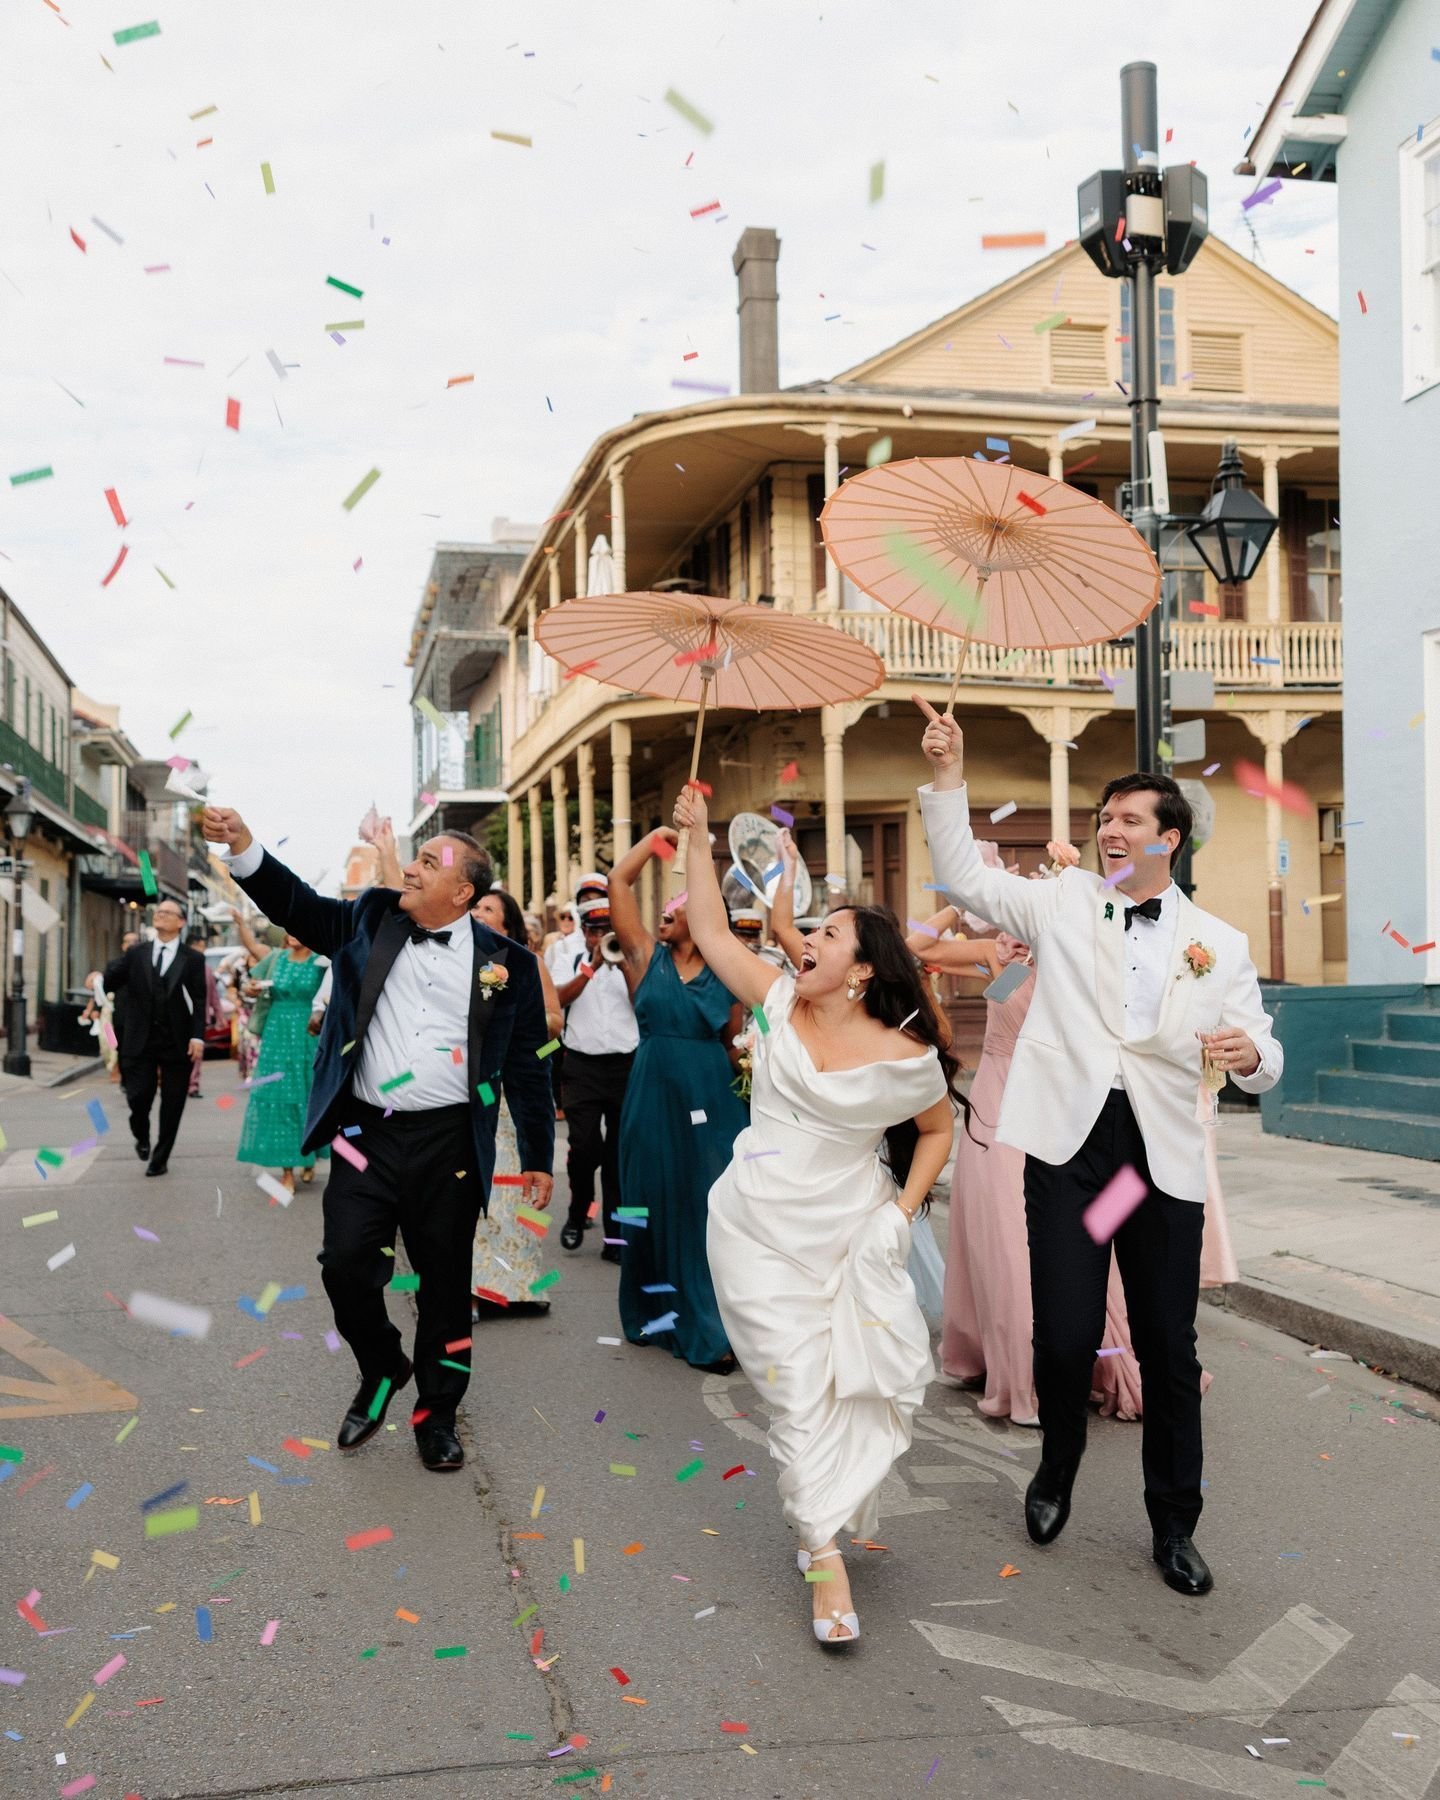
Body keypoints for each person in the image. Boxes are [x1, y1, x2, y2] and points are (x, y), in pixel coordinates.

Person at [916, 696, 1282, 1598]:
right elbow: (962, 873)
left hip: (1154, 1163)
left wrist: (1250, 1057)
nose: (1110, 831)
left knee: (1167, 1340)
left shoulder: (1219, 943)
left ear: (1169, 840)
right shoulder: (1060, 904)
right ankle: (1057, 1470)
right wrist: (948, 774)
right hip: (1073, 1151)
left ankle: (1175, 1524)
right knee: (1069, 1332)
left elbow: (1262, 1049)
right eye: (1104, 819)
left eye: (1127, 820)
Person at [672, 781, 964, 1649]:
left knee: (846, 1380)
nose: (807, 939)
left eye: (828, 934)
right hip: (758, 1219)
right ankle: (821, 1549)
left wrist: (904, 1214)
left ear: (864, 967)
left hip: (847, 1226)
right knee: (796, 1388)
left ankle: (826, 1514)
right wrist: (698, 842)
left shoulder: (907, 1056)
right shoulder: (774, 1004)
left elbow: (938, 1132)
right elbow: (716, 928)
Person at [201, 805, 554, 1476]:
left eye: (432, 862)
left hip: (450, 1140)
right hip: (366, 1130)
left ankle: (438, 1417)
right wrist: (245, 845)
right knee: (343, 1262)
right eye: (416, 858)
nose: (414, 866)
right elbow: (297, 905)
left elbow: (529, 1068)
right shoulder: (369, 919)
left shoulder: (508, 965)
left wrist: (539, 1158)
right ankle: (382, 1363)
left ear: (465, 893)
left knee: (447, 1290)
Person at [606, 827, 747, 1370]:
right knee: (649, 1198)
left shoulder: (727, 970)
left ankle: (709, 1328)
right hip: (651, 1091)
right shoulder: (644, 955)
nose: (666, 909)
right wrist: (658, 840)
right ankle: (653, 1312)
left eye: (679, 904)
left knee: (704, 1204)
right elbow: (620, 880)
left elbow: (734, 1046)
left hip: (712, 1095)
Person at [469, 887, 565, 1316]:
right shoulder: (459, 961)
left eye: (488, 909)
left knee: (510, 1184)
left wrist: (516, 1023)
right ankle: (475, 1285)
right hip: (470, 1087)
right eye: (475, 907)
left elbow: (555, 1027)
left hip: (512, 1091)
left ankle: (519, 1285)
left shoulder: (527, 964)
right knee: (475, 1183)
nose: (478, 913)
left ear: (507, 925)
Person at [554, 898, 638, 1261]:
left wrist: (624, 969)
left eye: (607, 931)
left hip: (625, 1067)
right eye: (594, 931)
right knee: (585, 1146)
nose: (600, 937)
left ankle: (615, 1239)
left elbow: (646, 1005)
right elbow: (556, 999)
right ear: (585, 932)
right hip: (582, 1067)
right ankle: (578, 1210)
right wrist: (592, 968)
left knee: (620, 1156)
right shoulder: (569, 958)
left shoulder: (633, 961)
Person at [102, 900, 207, 1177]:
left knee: (173, 1103)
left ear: (181, 922)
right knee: (138, 1097)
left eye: (167, 912)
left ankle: (160, 1158)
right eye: (158, 911)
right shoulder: (137, 953)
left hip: (178, 1040)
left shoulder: (193, 959)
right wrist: (97, 978)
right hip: (139, 1039)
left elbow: (199, 999)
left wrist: (198, 1036)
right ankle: (142, 1133)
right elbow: (111, 980)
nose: (160, 914)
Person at [234, 932, 330, 1195]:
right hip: (277, 1035)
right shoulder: (275, 958)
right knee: (280, 1100)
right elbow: (249, 984)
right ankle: (287, 1172)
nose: (293, 934)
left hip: (310, 1035)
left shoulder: (322, 962)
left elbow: (331, 995)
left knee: (310, 1098)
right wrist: (250, 988)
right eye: (289, 929)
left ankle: (308, 1156)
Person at [184, 929, 223, 1099]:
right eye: (200, 946)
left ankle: (193, 1085)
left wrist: (219, 1016)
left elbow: (213, 994)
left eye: (203, 946)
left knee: (197, 1053)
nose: (202, 950)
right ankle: (179, 1083)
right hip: (179, 1017)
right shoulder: (178, 964)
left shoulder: (206, 969)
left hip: (199, 1018)